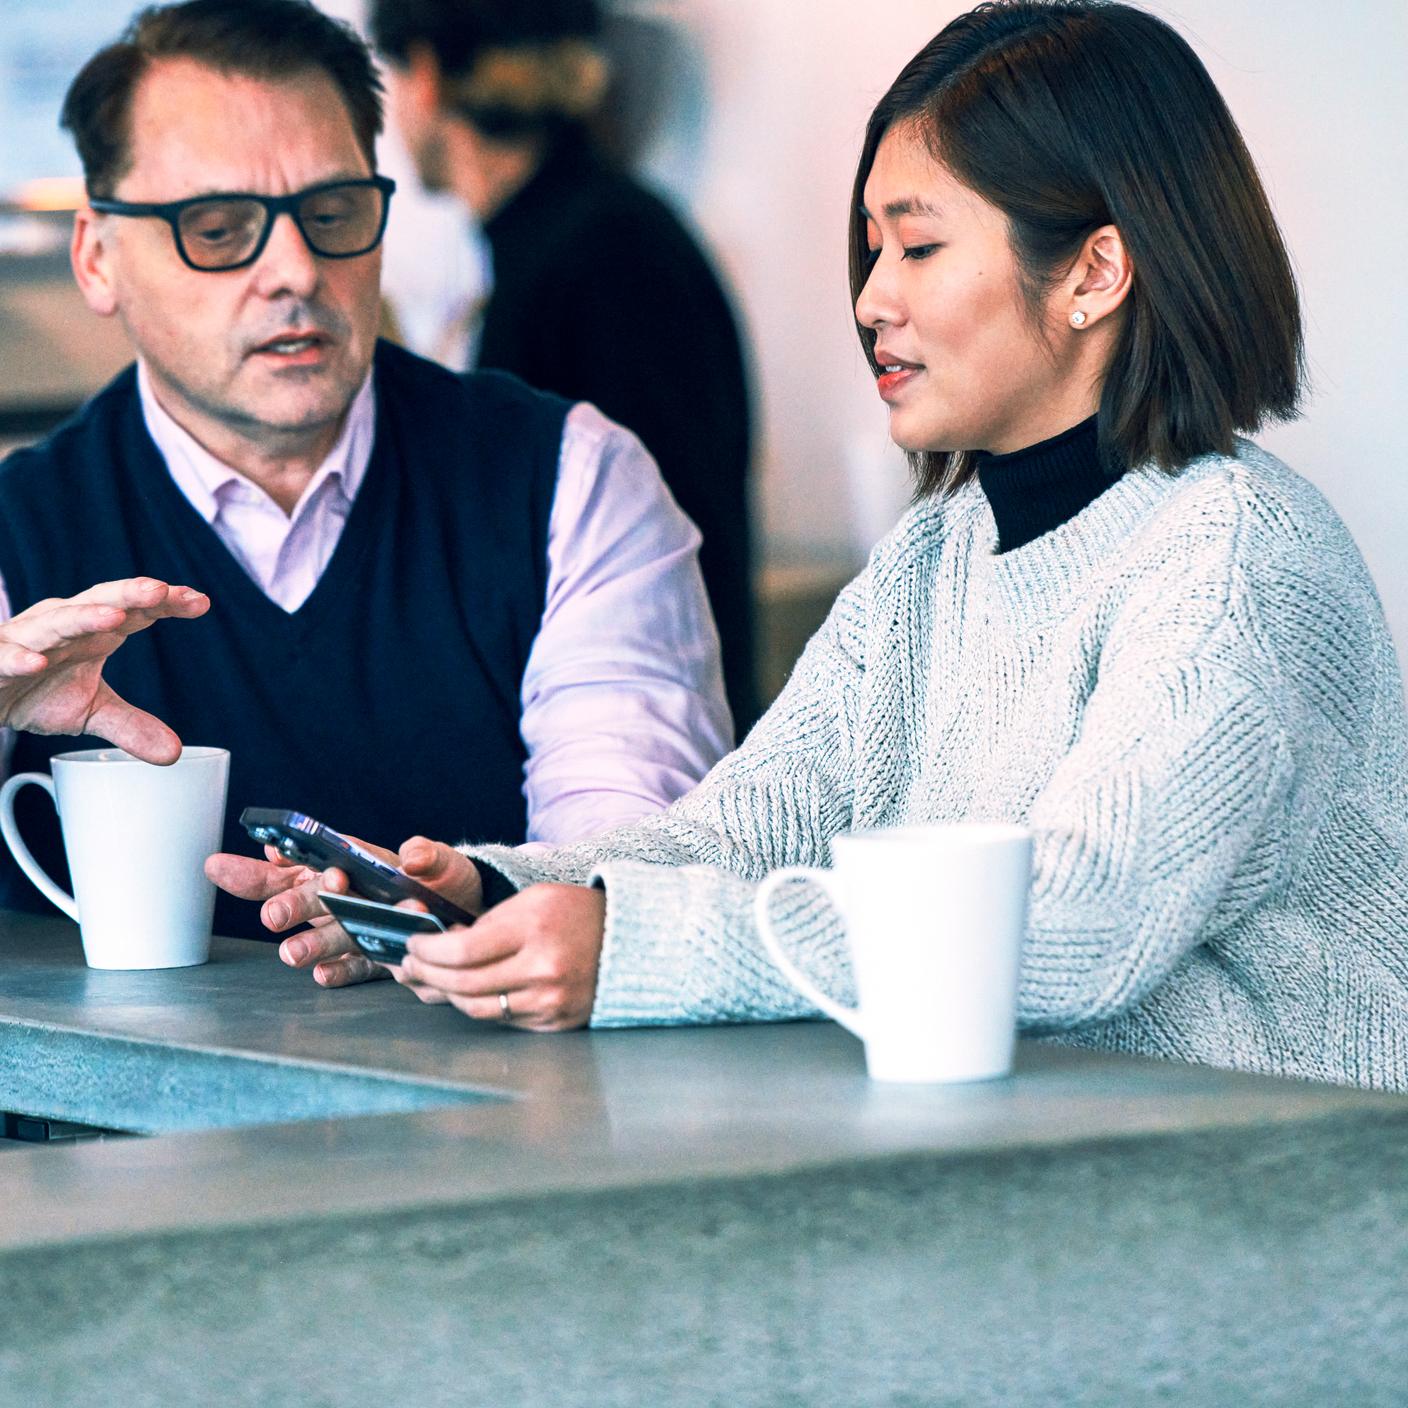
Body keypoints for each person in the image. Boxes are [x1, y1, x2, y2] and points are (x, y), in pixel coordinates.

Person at [219, 0, 1408, 1091]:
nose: (868, 299)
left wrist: (634, 951)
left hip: (1285, 1215)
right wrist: (486, 890)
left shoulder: (1234, 562)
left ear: (1095, 269)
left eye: (918, 246)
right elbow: (748, 826)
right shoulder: (939, 549)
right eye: (872, 248)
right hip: (1050, 1183)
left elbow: (1073, 923)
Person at [0, 0, 731, 944]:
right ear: (98, 258)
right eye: (218, 229)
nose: (296, 269)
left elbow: (630, 874)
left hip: (503, 1082)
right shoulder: (20, 540)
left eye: (332, 212)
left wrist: (462, 905)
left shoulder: (568, 483)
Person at [368, 0, 761, 735]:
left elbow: (644, 558)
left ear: (425, 76)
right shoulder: (586, 238)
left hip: (638, 750)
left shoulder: (606, 256)